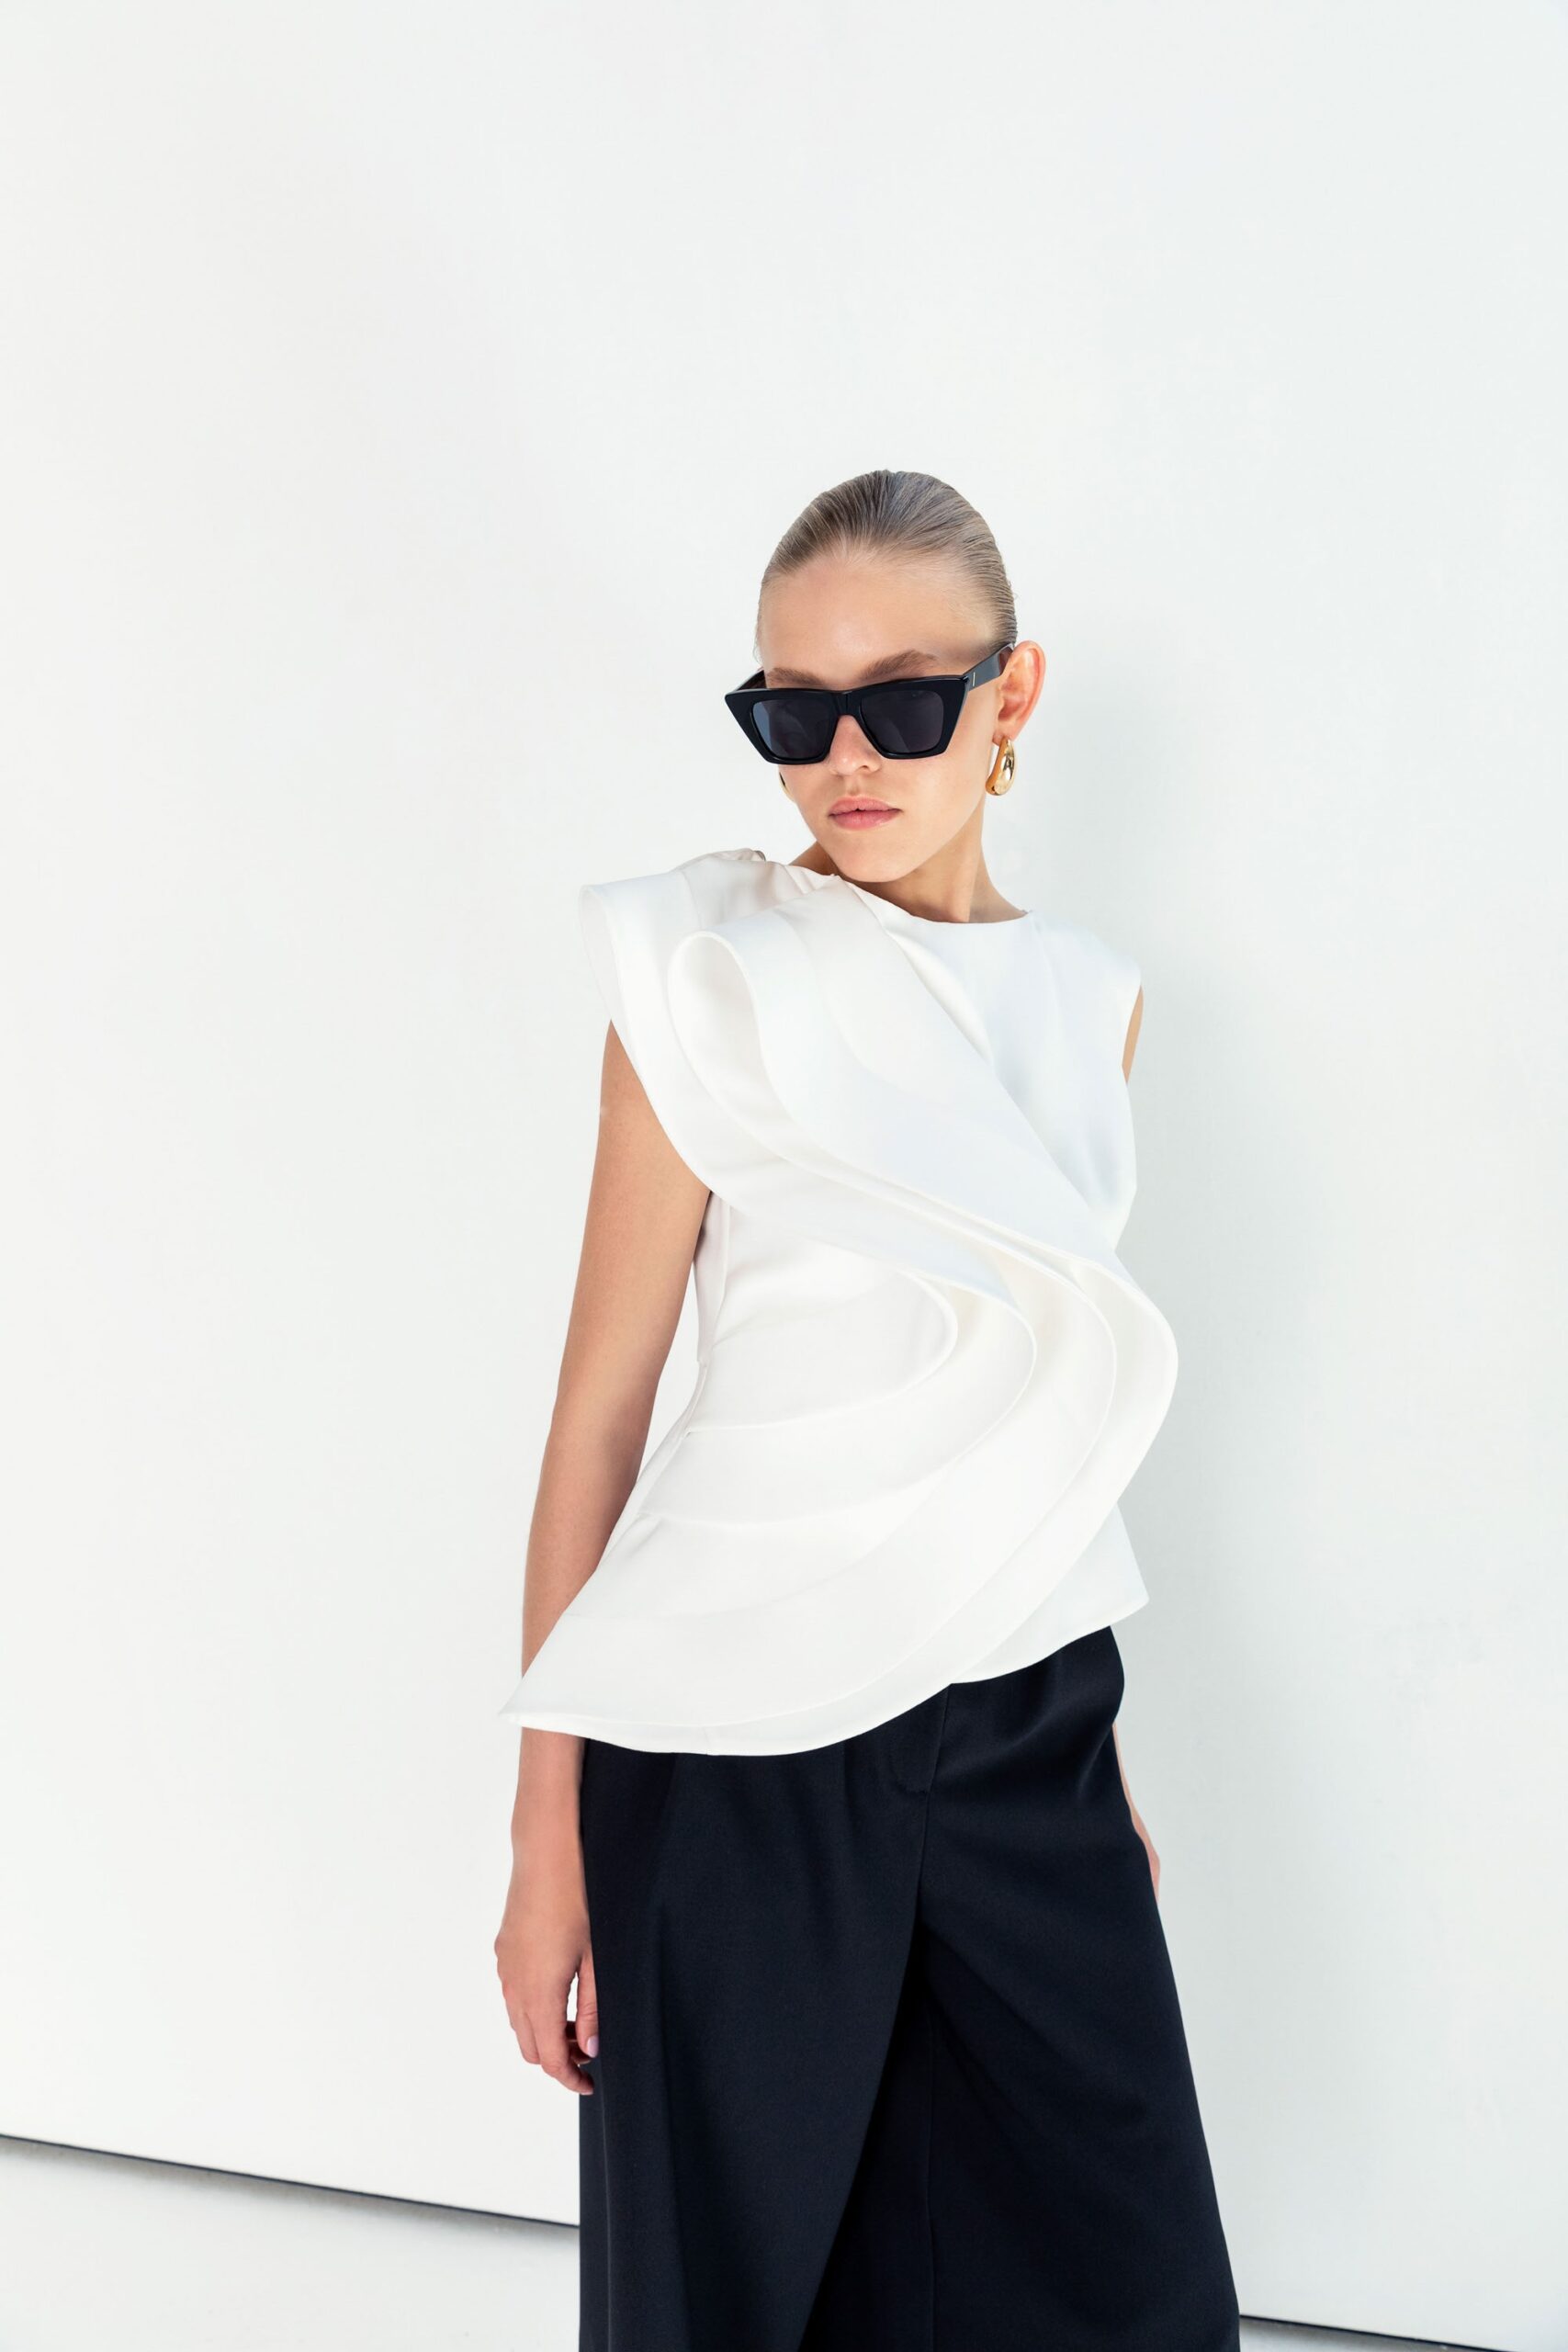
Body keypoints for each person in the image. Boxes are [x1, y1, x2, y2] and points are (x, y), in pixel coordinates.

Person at [493, 468, 1241, 2350]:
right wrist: (542, 1838)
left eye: (902, 702)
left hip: (1022, 1722)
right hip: (731, 1738)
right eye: (791, 713)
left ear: (1011, 694)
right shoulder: (707, 979)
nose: (845, 761)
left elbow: (1030, 1403)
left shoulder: (1094, 1000)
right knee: (723, 2304)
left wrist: (1097, 1777)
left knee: (1128, 2284)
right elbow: (599, 1417)